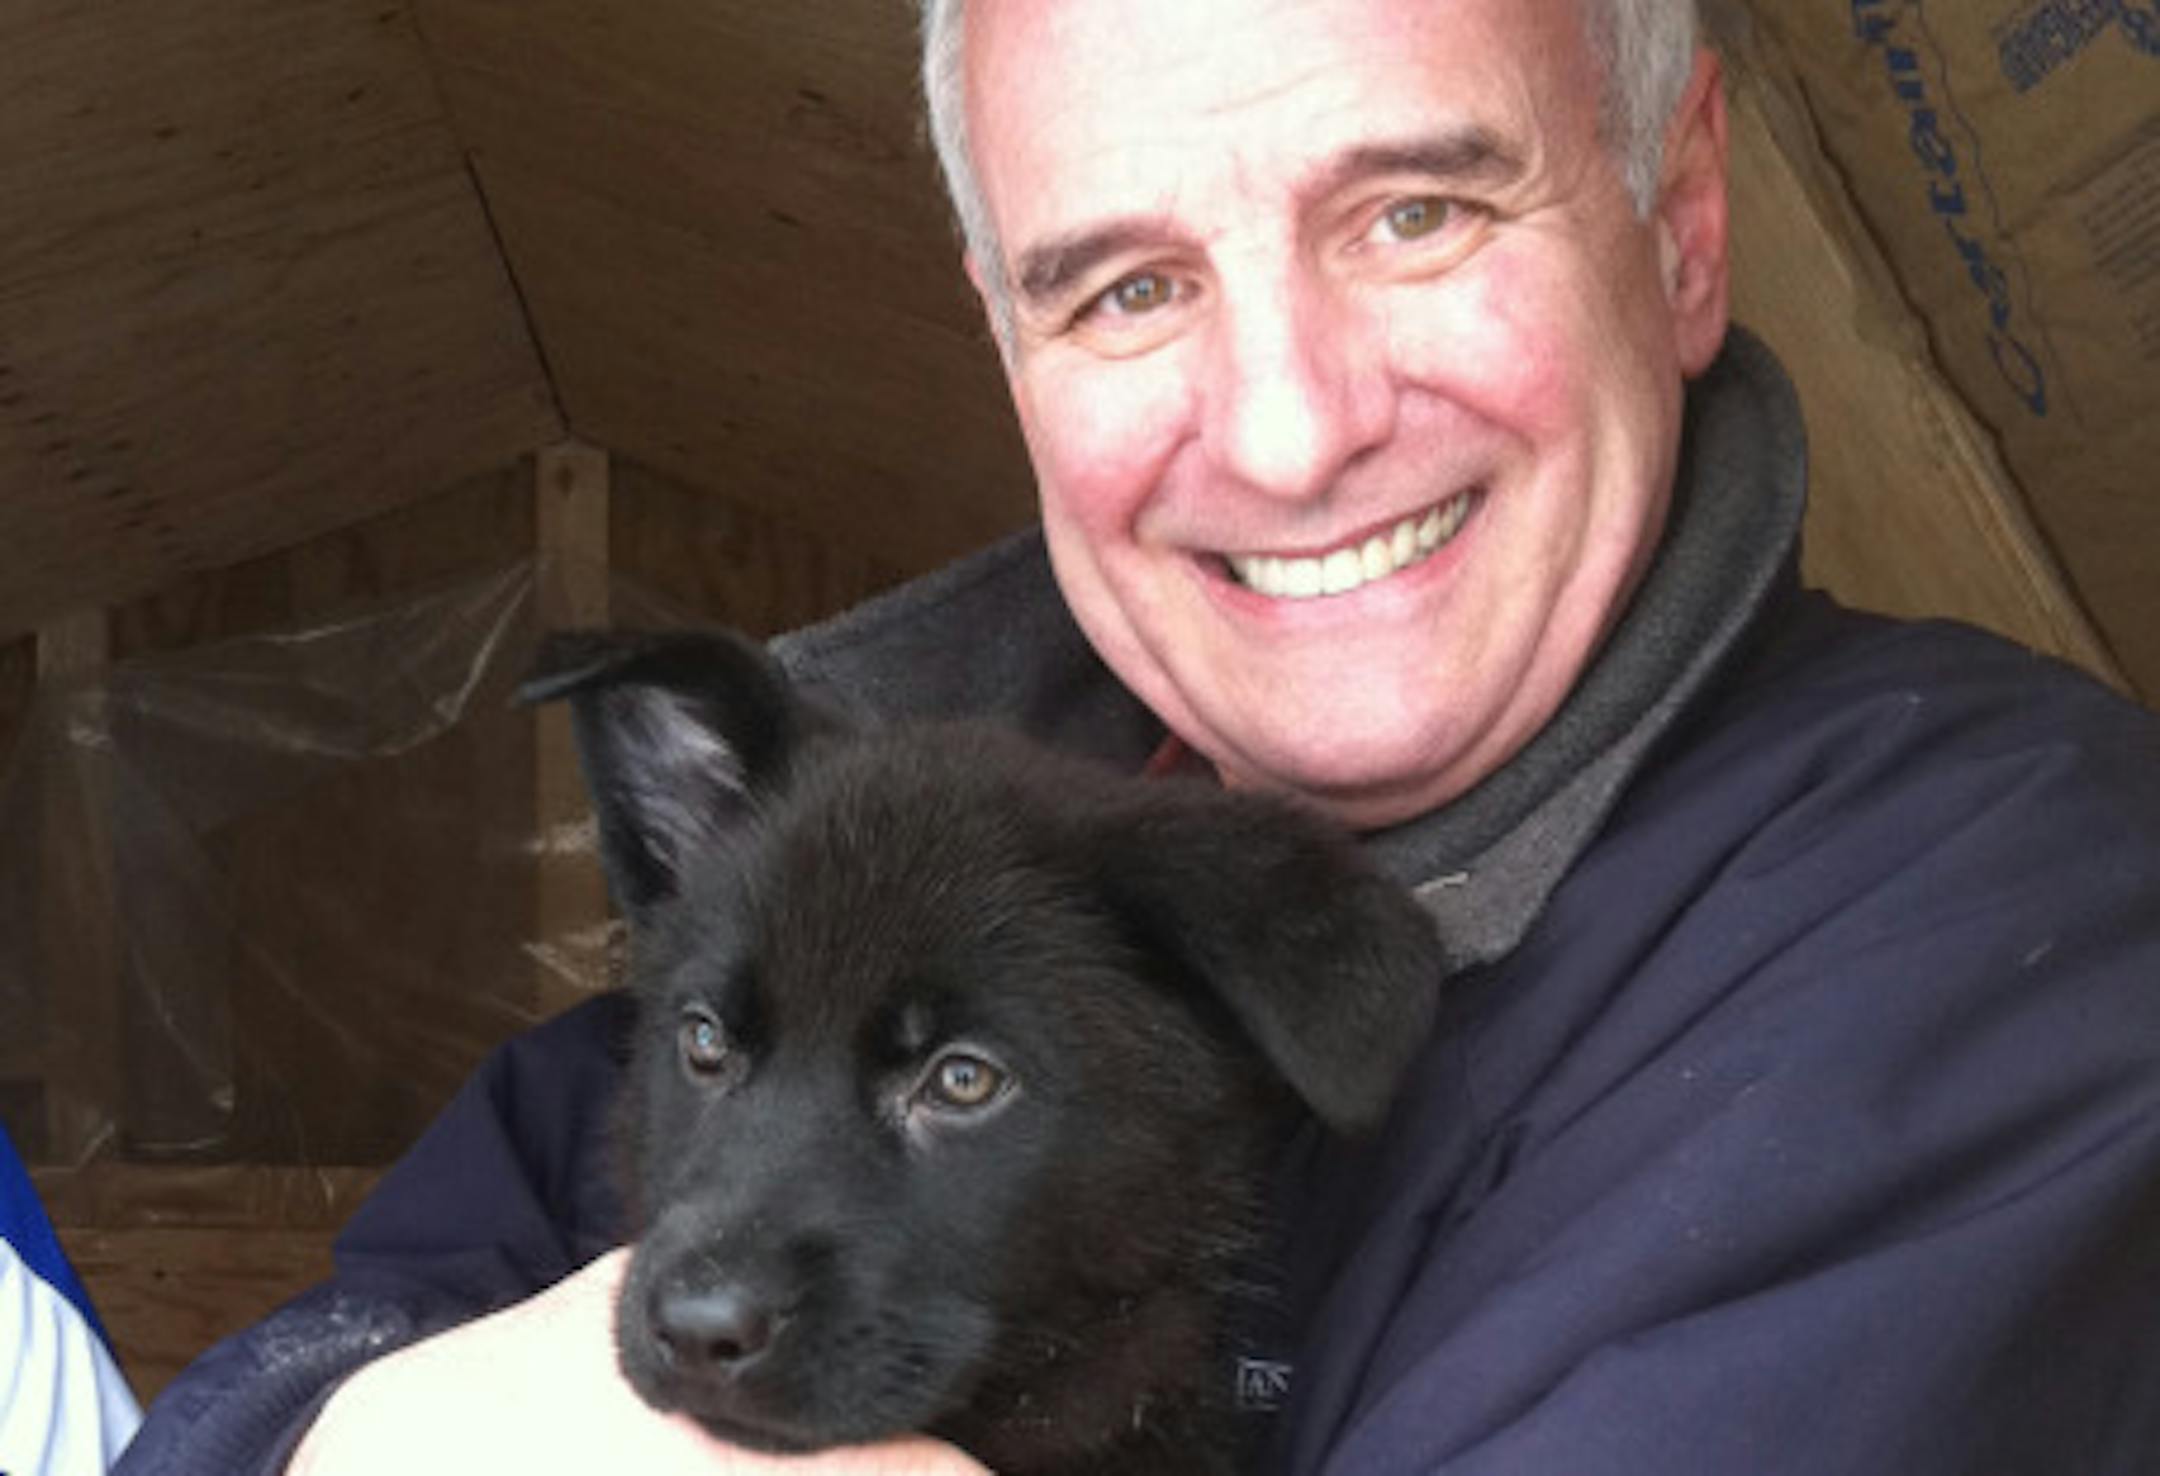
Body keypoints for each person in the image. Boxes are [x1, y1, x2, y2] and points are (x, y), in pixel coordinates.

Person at [120, 0, 2160, 1471]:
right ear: (1008, 348)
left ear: (1685, 220)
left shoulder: (1989, 929)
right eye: (1124, 291)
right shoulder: (878, 829)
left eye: (1417, 214)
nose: (1289, 425)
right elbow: (344, 1331)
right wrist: (367, 1436)